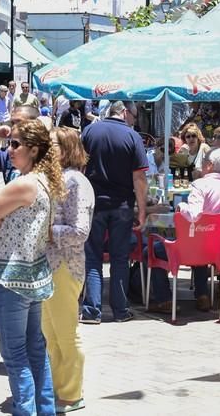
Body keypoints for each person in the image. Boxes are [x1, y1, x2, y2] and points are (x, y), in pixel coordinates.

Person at [0, 119, 65, 416]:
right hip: (33, 275)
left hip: (14, 277)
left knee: (15, 354)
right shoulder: (44, 181)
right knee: (35, 350)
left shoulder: (25, 183)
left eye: (15, 144)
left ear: (34, 149)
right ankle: (45, 409)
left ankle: (27, 410)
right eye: (9, 143)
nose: (9, 150)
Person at [147, 148, 220, 314]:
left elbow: (194, 214)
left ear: (210, 165)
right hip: (217, 251)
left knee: (154, 249)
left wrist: (180, 206)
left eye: (204, 161)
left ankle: (164, 299)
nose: (202, 165)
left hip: (191, 249)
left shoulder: (200, 186)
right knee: (202, 241)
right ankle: (202, 295)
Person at [42, 127, 94, 414]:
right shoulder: (57, 179)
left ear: (68, 149)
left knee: (65, 333)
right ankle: (58, 391)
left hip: (65, 265)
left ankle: (71, 394)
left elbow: (79, 231)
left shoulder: (76, 182)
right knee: (50, 333)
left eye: (53, 146)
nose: (47, 150)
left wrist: (45, 231)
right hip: (49, 266)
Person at [81, 100, 148, 324]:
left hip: (94, 204)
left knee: (93, 257)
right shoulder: (132, 137)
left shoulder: (90, 131)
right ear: (126, 112)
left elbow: (80, 168)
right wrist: (142, 210)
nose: (134, 121)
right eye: (135, 116)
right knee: (120, 258)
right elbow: (139, 178)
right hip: (122, 206)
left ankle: (92, 311)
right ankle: (120, 310)